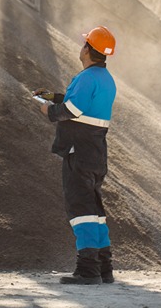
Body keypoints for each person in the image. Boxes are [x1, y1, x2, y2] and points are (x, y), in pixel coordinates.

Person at [33, 25, 118, 285]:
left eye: (84, 44)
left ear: (88, 50)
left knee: (80, 209)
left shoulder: (87, 77)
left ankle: (88, 270)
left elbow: (71, 109)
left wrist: (50, 111)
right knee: (95, 210)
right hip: (95, 153)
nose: (81, 48)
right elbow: (84, 105)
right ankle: (104, 268)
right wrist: (55, 96)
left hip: (78, 152)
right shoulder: (106, 79)